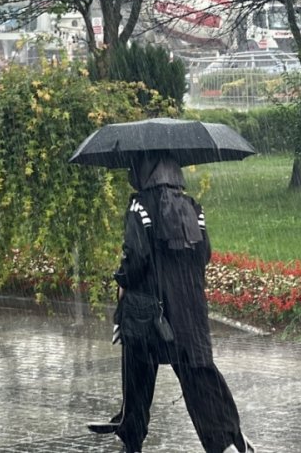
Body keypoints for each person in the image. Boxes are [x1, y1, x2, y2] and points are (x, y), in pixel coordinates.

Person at [109, 154, 254, 453]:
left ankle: (132, 438)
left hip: (147, 310)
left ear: (142, 171)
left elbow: (136, 259)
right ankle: (225, 438)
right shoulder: (192, 207)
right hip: (188, 308)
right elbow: (205, 253)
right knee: (198, 372)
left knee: (137, 372)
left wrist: (122, 279)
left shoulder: (139, 207)